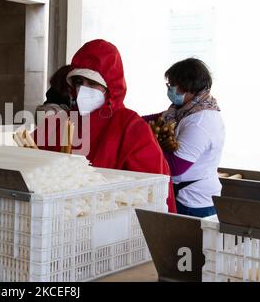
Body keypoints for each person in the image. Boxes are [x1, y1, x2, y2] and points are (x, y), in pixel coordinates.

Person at [34, 39, 176, 213]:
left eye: (92, 84)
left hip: (113, 224)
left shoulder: (130, 126)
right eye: (79, 82)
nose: (83, 90)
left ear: (111, 87)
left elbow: (153, 188)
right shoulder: (58, 123)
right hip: (58, 221)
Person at [144, 58, 225, 218]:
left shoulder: (200, 122)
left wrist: (146, 145)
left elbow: (175, 167)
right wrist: (128, 120)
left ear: (187, 86)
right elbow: (157, 118)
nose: (169, 89)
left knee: (187, 243)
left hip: (193, 202)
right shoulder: (185, 111)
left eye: (172, 85)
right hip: (186, 195)